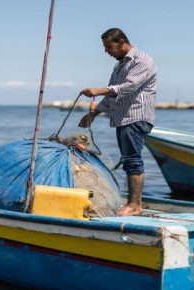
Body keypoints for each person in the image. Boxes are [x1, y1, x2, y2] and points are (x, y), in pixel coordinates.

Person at [78, 28, 157, 217]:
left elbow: (127, 87)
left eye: (109, 47)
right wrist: (94, 113)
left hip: (136, 117)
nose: (107, 52)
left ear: (122, 42)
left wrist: (98, 91)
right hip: (123, 118)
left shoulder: (142, 60)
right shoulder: (119, 65)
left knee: (132, 160)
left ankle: (135, 205)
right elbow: (112, 95)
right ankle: (135, 202)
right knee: (128, 159)